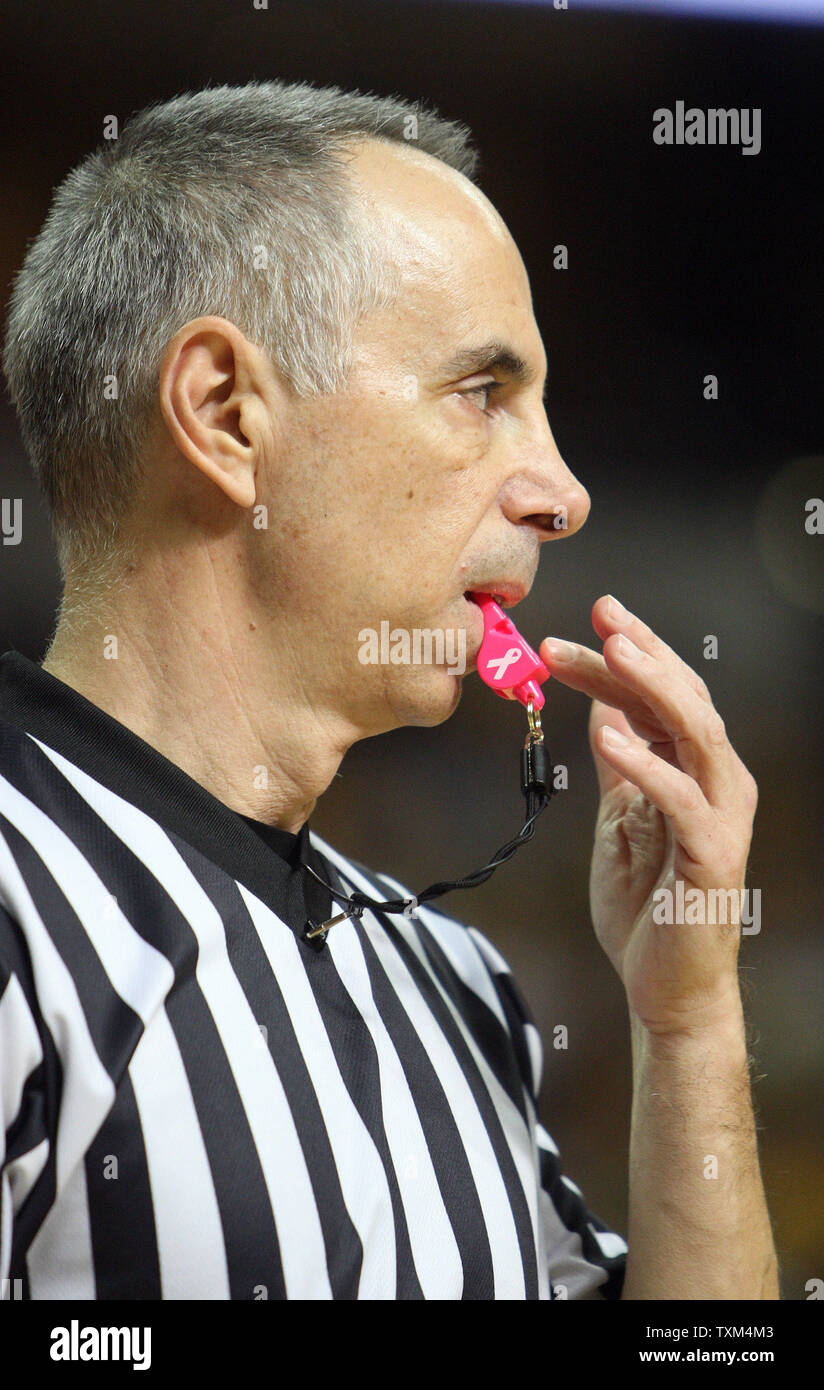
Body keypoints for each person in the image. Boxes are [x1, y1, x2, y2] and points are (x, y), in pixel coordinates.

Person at [0, 80, 777, 1300]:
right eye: (482, 393)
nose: (562, 494)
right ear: (223, 412)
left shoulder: (462, 987)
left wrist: (687, 1029)